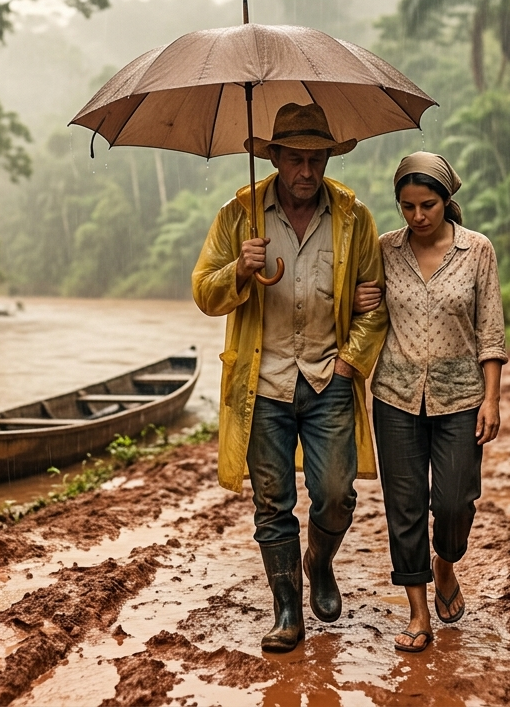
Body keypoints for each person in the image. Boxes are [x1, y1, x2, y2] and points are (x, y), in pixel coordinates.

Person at [192, 102, 388, 653]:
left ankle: (319, 561)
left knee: (334, 496)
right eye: (295, 158)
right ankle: (286, 611)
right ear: (273, 156)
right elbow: (204, 292)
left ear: (328, 157)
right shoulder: (240, 215)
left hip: (330, 377)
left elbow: (374, 304)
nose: (307, 171)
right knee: (272, 503)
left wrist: (350, 361)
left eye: (316, 158)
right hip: (263, 385)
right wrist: (239, 271)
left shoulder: (355, 217)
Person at [353, 151, 506, 654]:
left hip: (461, 397)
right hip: (395, 395)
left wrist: (492, 399)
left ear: (447, 201)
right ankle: (418, 612)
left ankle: (445, 563)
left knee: (455, 501)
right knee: (405, 506)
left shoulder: (477, 250)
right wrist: (356, 301)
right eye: (407, 206)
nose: (417, 217)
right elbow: (358, 301)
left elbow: (491, 331)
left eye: (428, 205)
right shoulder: (383, 249)